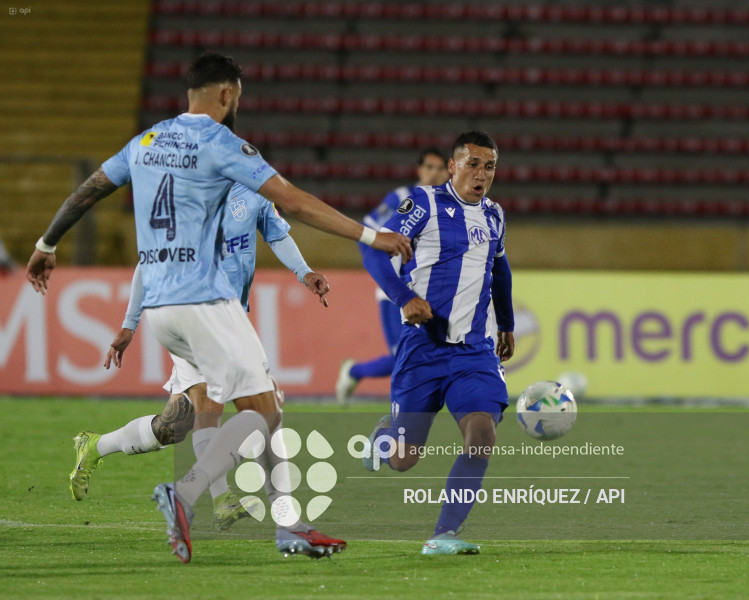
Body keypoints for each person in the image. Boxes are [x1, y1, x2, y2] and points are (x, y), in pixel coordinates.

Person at [25, 52, 411, 563]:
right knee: (266, 409)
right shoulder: (219, 142)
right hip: (205, 301)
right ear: (228, 94)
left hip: (162, 310)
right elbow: (291, 200)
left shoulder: (145, 141)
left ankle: (290, 526)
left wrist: (47, 245)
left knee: (260, 407)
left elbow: (90, 190)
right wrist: (370, 234)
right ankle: (186, 495)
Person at [70, 182, 343, 557]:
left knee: (174, 425)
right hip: (198, 313)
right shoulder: (185, 190)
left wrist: (303, 272)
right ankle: (224, 501)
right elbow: (148, 260)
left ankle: (96, 446)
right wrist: (129, 322)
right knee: (245, 407)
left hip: (218, 316)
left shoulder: (252, 186)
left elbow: (277, 234)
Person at [360, 131, 515, 555]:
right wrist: (404, 297)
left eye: (490, 166)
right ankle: (381, 440)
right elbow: (373, 251)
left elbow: (500, 271)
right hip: (422, 349)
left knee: (482, 433)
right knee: (403, 458)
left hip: (474, 352)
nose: (481, 174)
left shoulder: (495, 216)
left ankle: (444, 533)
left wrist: (506, 324)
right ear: (452, 166)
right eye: (473, 164)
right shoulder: (424, 204)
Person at [335, 148, 449, 404]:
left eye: (440, 168)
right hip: (395, 291)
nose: (434, 173)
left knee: (430, 352)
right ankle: (354, 372)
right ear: (420, 170)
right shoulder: (401, 197)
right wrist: (382, 272)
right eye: (429, 167)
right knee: (401, 355)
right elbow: (367, 233)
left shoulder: (447, 203)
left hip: (428, 290)